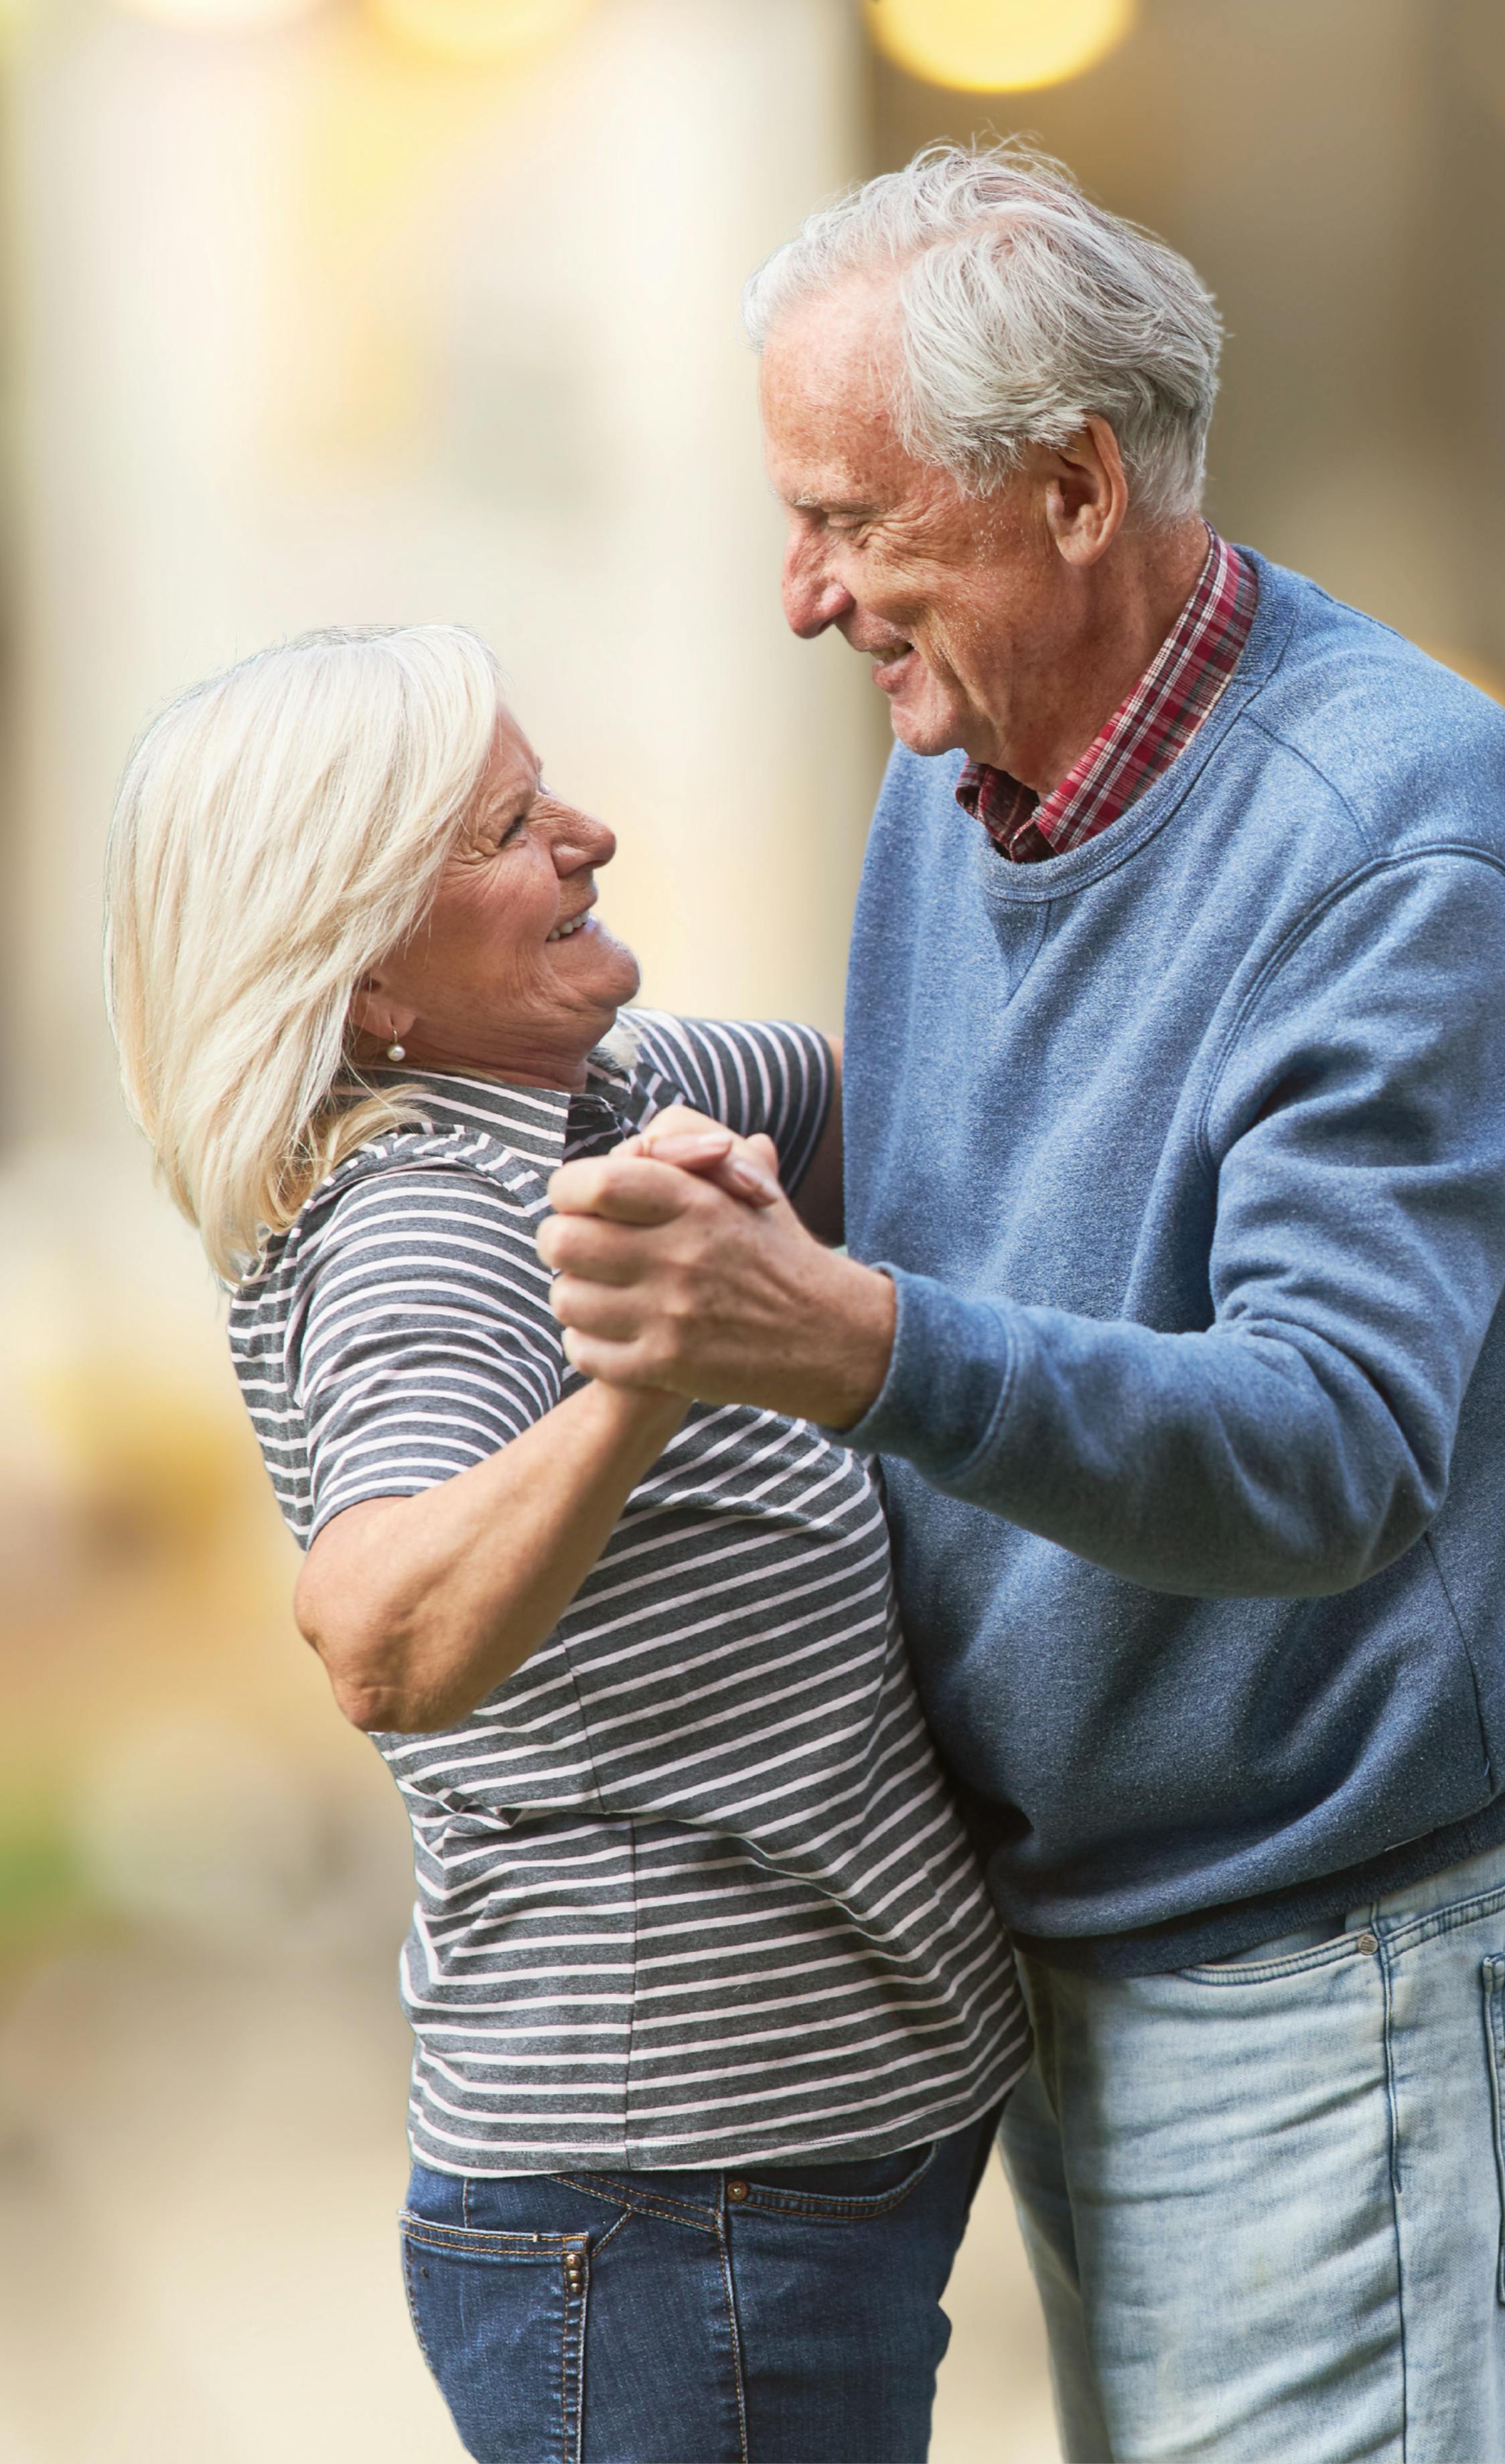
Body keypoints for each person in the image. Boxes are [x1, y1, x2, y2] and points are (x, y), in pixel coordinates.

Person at [534, 143, 1505, 2462]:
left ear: (1072, 484)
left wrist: (845, 1336)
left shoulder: (1388, 838)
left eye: (852, 519)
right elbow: (1003, 1158)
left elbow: (1332, 1441)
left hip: (1349, 1939)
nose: (800, 593)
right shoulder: (969, 770)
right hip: (1116, 1927)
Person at [102, 624, 1028, 2464]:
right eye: (514, 825)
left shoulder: (586, 1096)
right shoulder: (422, 1227)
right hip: (671, 2219)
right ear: (364, 972)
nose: (590, 834)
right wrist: (653, 1375)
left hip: (775, 2184)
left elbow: (925, 1108)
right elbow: (377, 1633)